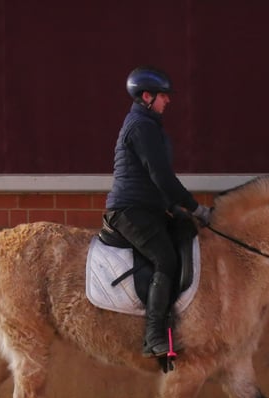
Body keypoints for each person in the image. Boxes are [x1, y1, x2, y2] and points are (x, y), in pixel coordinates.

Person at [104, 66, 211, 359]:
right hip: (129, 210)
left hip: (148, 207)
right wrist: (195, 207)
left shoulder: (150, 125)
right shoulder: (141, 126)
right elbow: (161, 177)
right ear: (146, 96)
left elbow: (158, 182)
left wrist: (176, 210)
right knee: (164, 257)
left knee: (185, 231)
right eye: (163, 96)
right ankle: (154, 336)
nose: (169, 101)